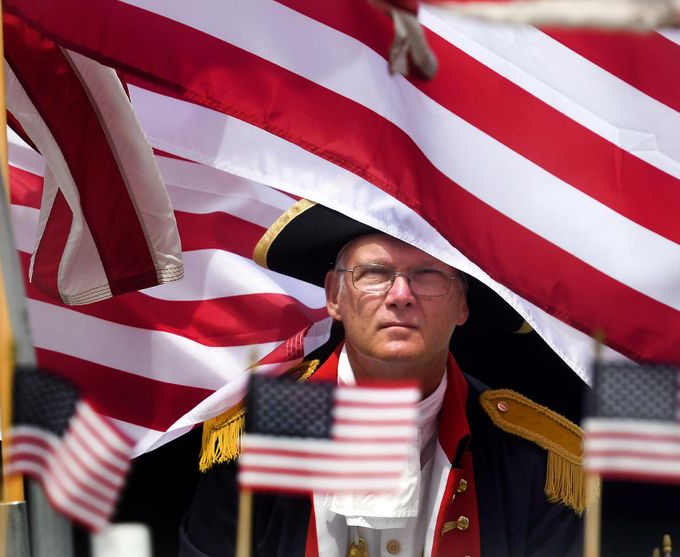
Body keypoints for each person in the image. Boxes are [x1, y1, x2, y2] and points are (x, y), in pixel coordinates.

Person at [180, 200, 585, 557]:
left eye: (427, 275)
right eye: (375, 273)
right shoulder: (253, 437)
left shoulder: (535, 461)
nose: (400, 294)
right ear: (335, 295)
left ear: (463, 304)